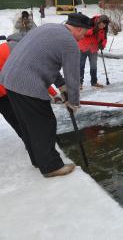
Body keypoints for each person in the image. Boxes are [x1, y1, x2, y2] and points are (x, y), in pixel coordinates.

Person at [0, 12, 90, 178]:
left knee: (28, 125)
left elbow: (45, 61)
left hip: (8, 81)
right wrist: (74, 101)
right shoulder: (69, 42)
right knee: (44, 123)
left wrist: (61, 87)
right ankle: (51, 166)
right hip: (27, 84)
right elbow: (74, 77)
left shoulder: (48, 28)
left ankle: (38, 160)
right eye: (84, 33)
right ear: (78, 29)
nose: (83, 37)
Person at [78, 15, 109, 89]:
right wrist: (94, 30)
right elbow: (84, 33)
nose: (103, 25)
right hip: (83, 48)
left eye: (105, 24)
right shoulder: (89, 23)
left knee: (93, 66)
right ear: (99, 22)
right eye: (102, 23)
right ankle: (79, 84)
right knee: (81, 66)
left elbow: (104, 39)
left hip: (93, 49)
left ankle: (94, 82)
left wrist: (102, 45)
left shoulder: (104, 29)